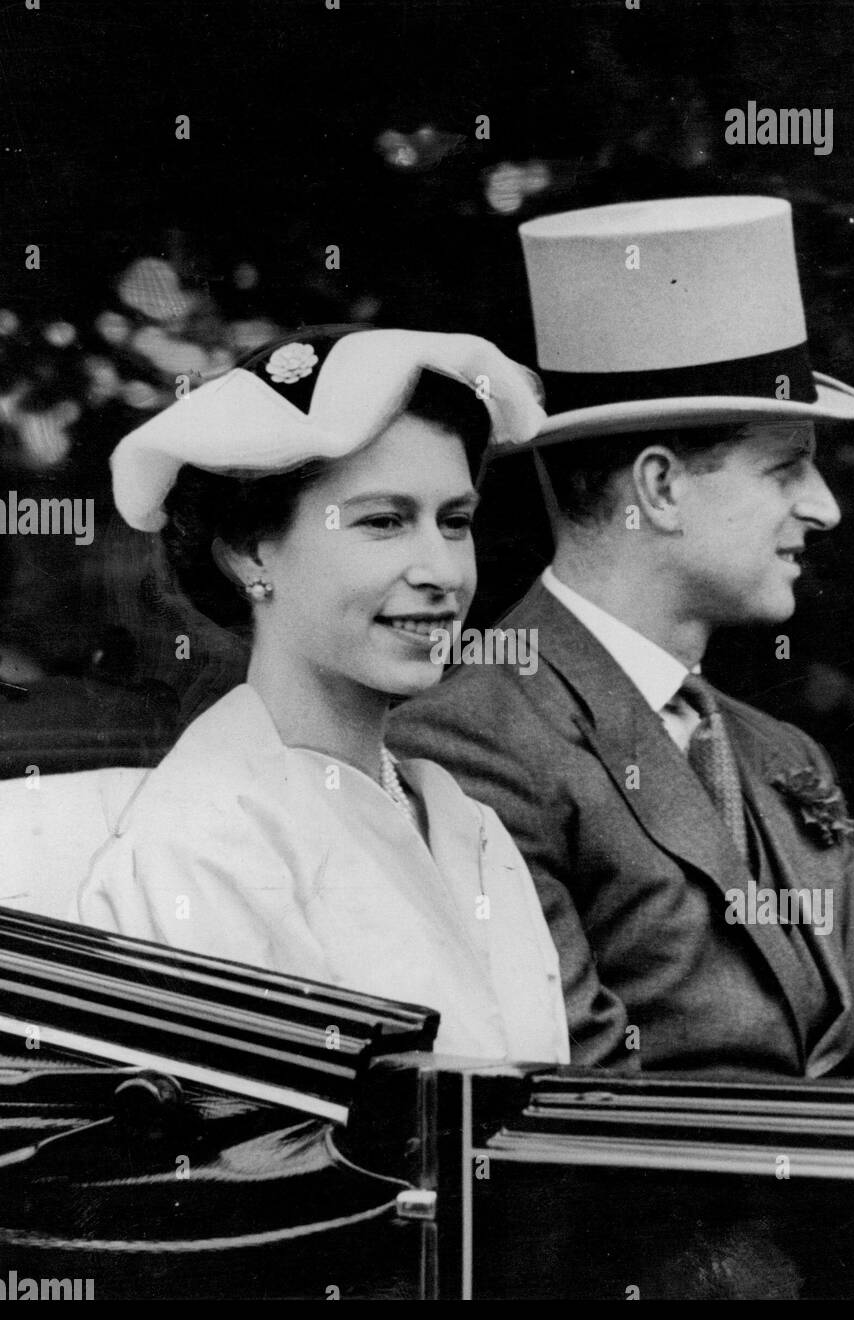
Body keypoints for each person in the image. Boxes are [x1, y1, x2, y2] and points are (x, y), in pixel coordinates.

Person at [390, 197, 854, 1083]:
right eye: (785, 467)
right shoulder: (471, 745)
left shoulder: (777, 753)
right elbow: (584, 1114)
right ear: (657, 488)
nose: (824, 506)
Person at [77, 326, 569, 1064]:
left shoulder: (465, 825)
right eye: (384, 522)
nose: (441, 570)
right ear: (248, 551)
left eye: (455, 522)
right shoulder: (206, 848)